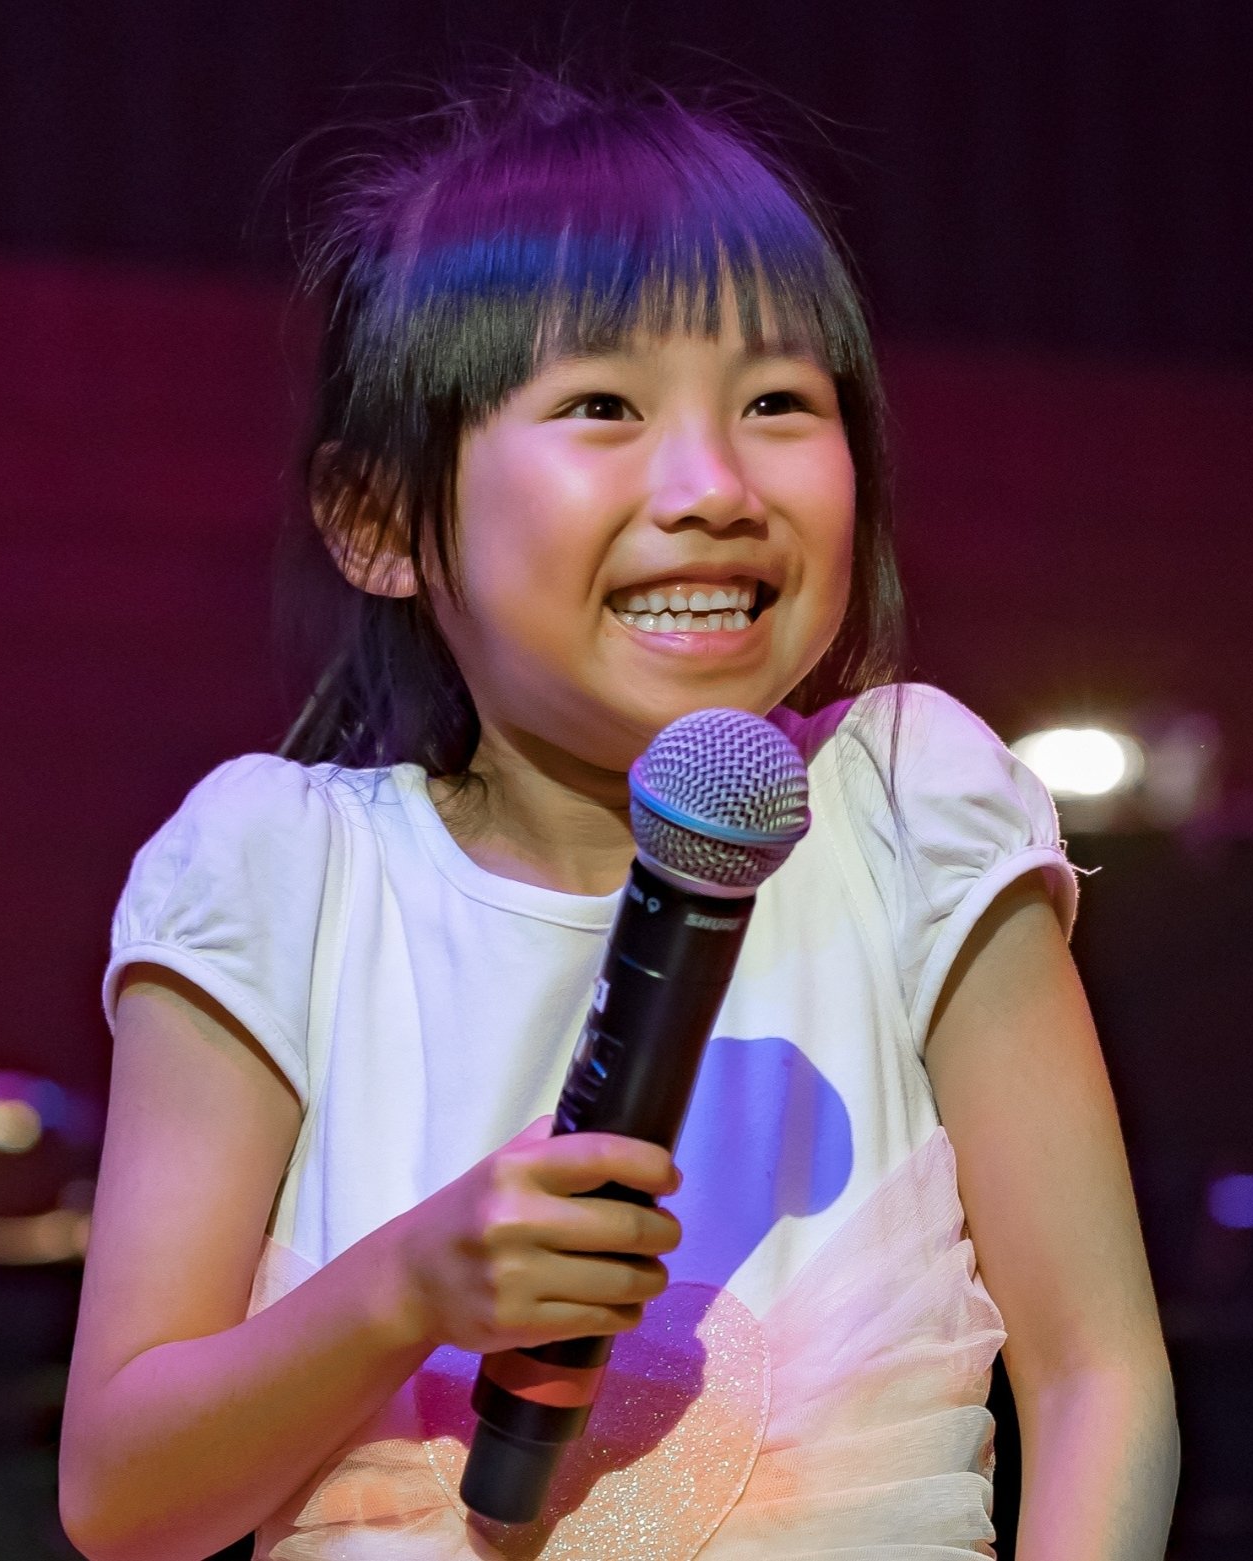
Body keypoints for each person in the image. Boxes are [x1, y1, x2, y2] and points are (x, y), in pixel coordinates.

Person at [62, 78, 1177, 1560]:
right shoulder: (283, 872)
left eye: (779, 402)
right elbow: (125, 1495)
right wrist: (408, 1286)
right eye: (604, 405)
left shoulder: (912, 803)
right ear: (382, 518)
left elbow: (1100, 1371)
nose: (715, 486)